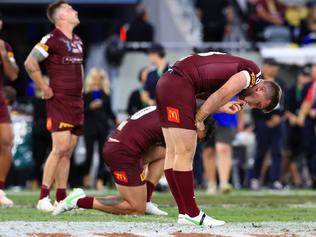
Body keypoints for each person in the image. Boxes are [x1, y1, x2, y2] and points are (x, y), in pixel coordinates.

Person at [155, 51, 282, 226]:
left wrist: (221, 108)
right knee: (185, 153)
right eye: (258, 104)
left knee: (173, 152)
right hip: (179, 84)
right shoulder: (251, 75)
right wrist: (199, 119)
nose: (252, 106)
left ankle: (184, 212)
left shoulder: (240, 70)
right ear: (260, 88)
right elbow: (221, 94)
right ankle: (192, 213)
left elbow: (201, 96)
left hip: (167, 82)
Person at [53, 105, 222, 216]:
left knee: (166, 152)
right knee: (135, 208)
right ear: (199, 123)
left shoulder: (169, 108)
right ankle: (77, 201)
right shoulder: (179, 120)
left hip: (126, 149)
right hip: (122, 153)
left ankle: (146, 198)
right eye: (199, 138)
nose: (195, 140)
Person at [24, 0, 84, 212]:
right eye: (70, 9)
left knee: (68, 150)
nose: (75, 11)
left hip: (77, 101)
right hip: (60, 100)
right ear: (61, 17)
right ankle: (43, 197)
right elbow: (30, 62)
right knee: (59, 148)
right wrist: (43, 87)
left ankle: (61, 198)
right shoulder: (52, 38)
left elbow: (80, 67)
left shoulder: (77, 40)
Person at [249, 58, 286, 190]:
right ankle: (254, 178)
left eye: (276, 66)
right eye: (271, 65)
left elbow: (283, 105)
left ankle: (275, 179)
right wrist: (266, 119)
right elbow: (253, 103)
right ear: (264, 67)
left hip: (278, 123)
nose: (274, 68)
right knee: (261, 151)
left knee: (277, 151)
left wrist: (278, 117)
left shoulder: (281, 82)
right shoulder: (257, 83)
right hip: (262, 122)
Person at [83, 68, 117, 190]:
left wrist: (116, 120)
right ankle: (86, 177)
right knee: (89, 155)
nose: (97, 81)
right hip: (89, 127)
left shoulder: (106, 93)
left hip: (102, 127)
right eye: (95, 78)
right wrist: (90, 106)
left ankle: (99, 180)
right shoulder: (85, 94)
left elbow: (109, 111)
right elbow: (81, 111)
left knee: (103, 155)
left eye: (100, 78)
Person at [0, 11, 19, 207]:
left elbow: (13, 74)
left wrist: (4, 55)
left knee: (6, 141)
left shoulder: (4, 46)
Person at [202, 103, 243, 194]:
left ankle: (224, 183)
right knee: (208, 151)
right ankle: (211, 184)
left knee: (223, 149)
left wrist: (240, 121)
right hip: (206, 118)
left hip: (228, 118)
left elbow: (241, 100)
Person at [283, 66, 311, 187]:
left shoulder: (310, 90)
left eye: (307, 76)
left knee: (303, 153)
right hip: (291, 127)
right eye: (303, 76)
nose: (304, 79)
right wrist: (294, 118)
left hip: (304, 126)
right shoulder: (291, 90)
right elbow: (285, 109)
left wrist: (302, 117)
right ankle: (289, 178)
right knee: (289, 153)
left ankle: (299, 179)